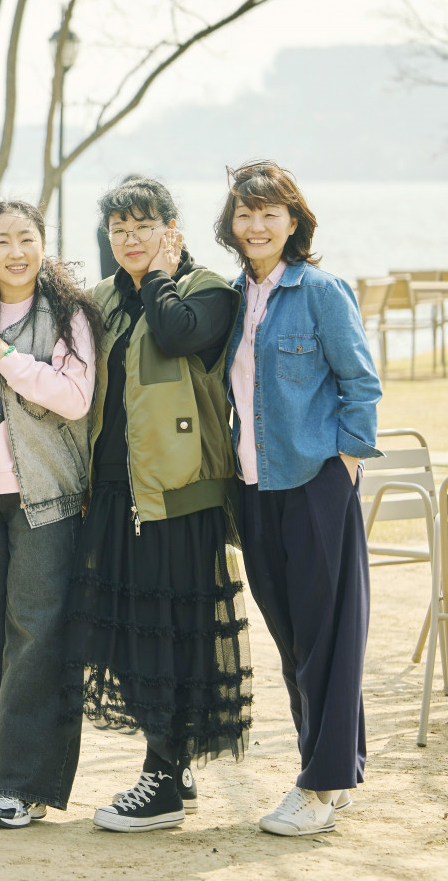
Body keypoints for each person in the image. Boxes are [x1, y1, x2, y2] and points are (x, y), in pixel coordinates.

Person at [66, 175, 254, 834]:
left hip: (177, 497)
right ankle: (173, 764)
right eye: (119, 229)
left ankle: (162, 781)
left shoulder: (208, 292)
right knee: (123, 635)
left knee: (170, 636)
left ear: (172, 230)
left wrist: (161, 276)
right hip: (113, 493)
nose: (130, 239)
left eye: (144, 226)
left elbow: (175, 336)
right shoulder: (103, 300)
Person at [216, 159, 381, 838]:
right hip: (255, 488)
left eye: (269, 213)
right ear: (231, 224)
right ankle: (337, 768)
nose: (256, 225)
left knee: (326, 639)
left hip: (315, 484)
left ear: (293, 222)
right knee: (293, 642)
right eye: (245, 213)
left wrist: (344, 464)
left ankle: (320, 784)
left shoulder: (320, 290)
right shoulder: (232, 298)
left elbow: (361, 384)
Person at [0, 199, 100, 829]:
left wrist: (7, 359)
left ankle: (17, 782)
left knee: (36, 636)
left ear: (42, 244)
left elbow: (75, 398)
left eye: (26, 238)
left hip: (48, 498)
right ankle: (0, 775)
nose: (15, 251)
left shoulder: (68, 314)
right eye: (2, 240)